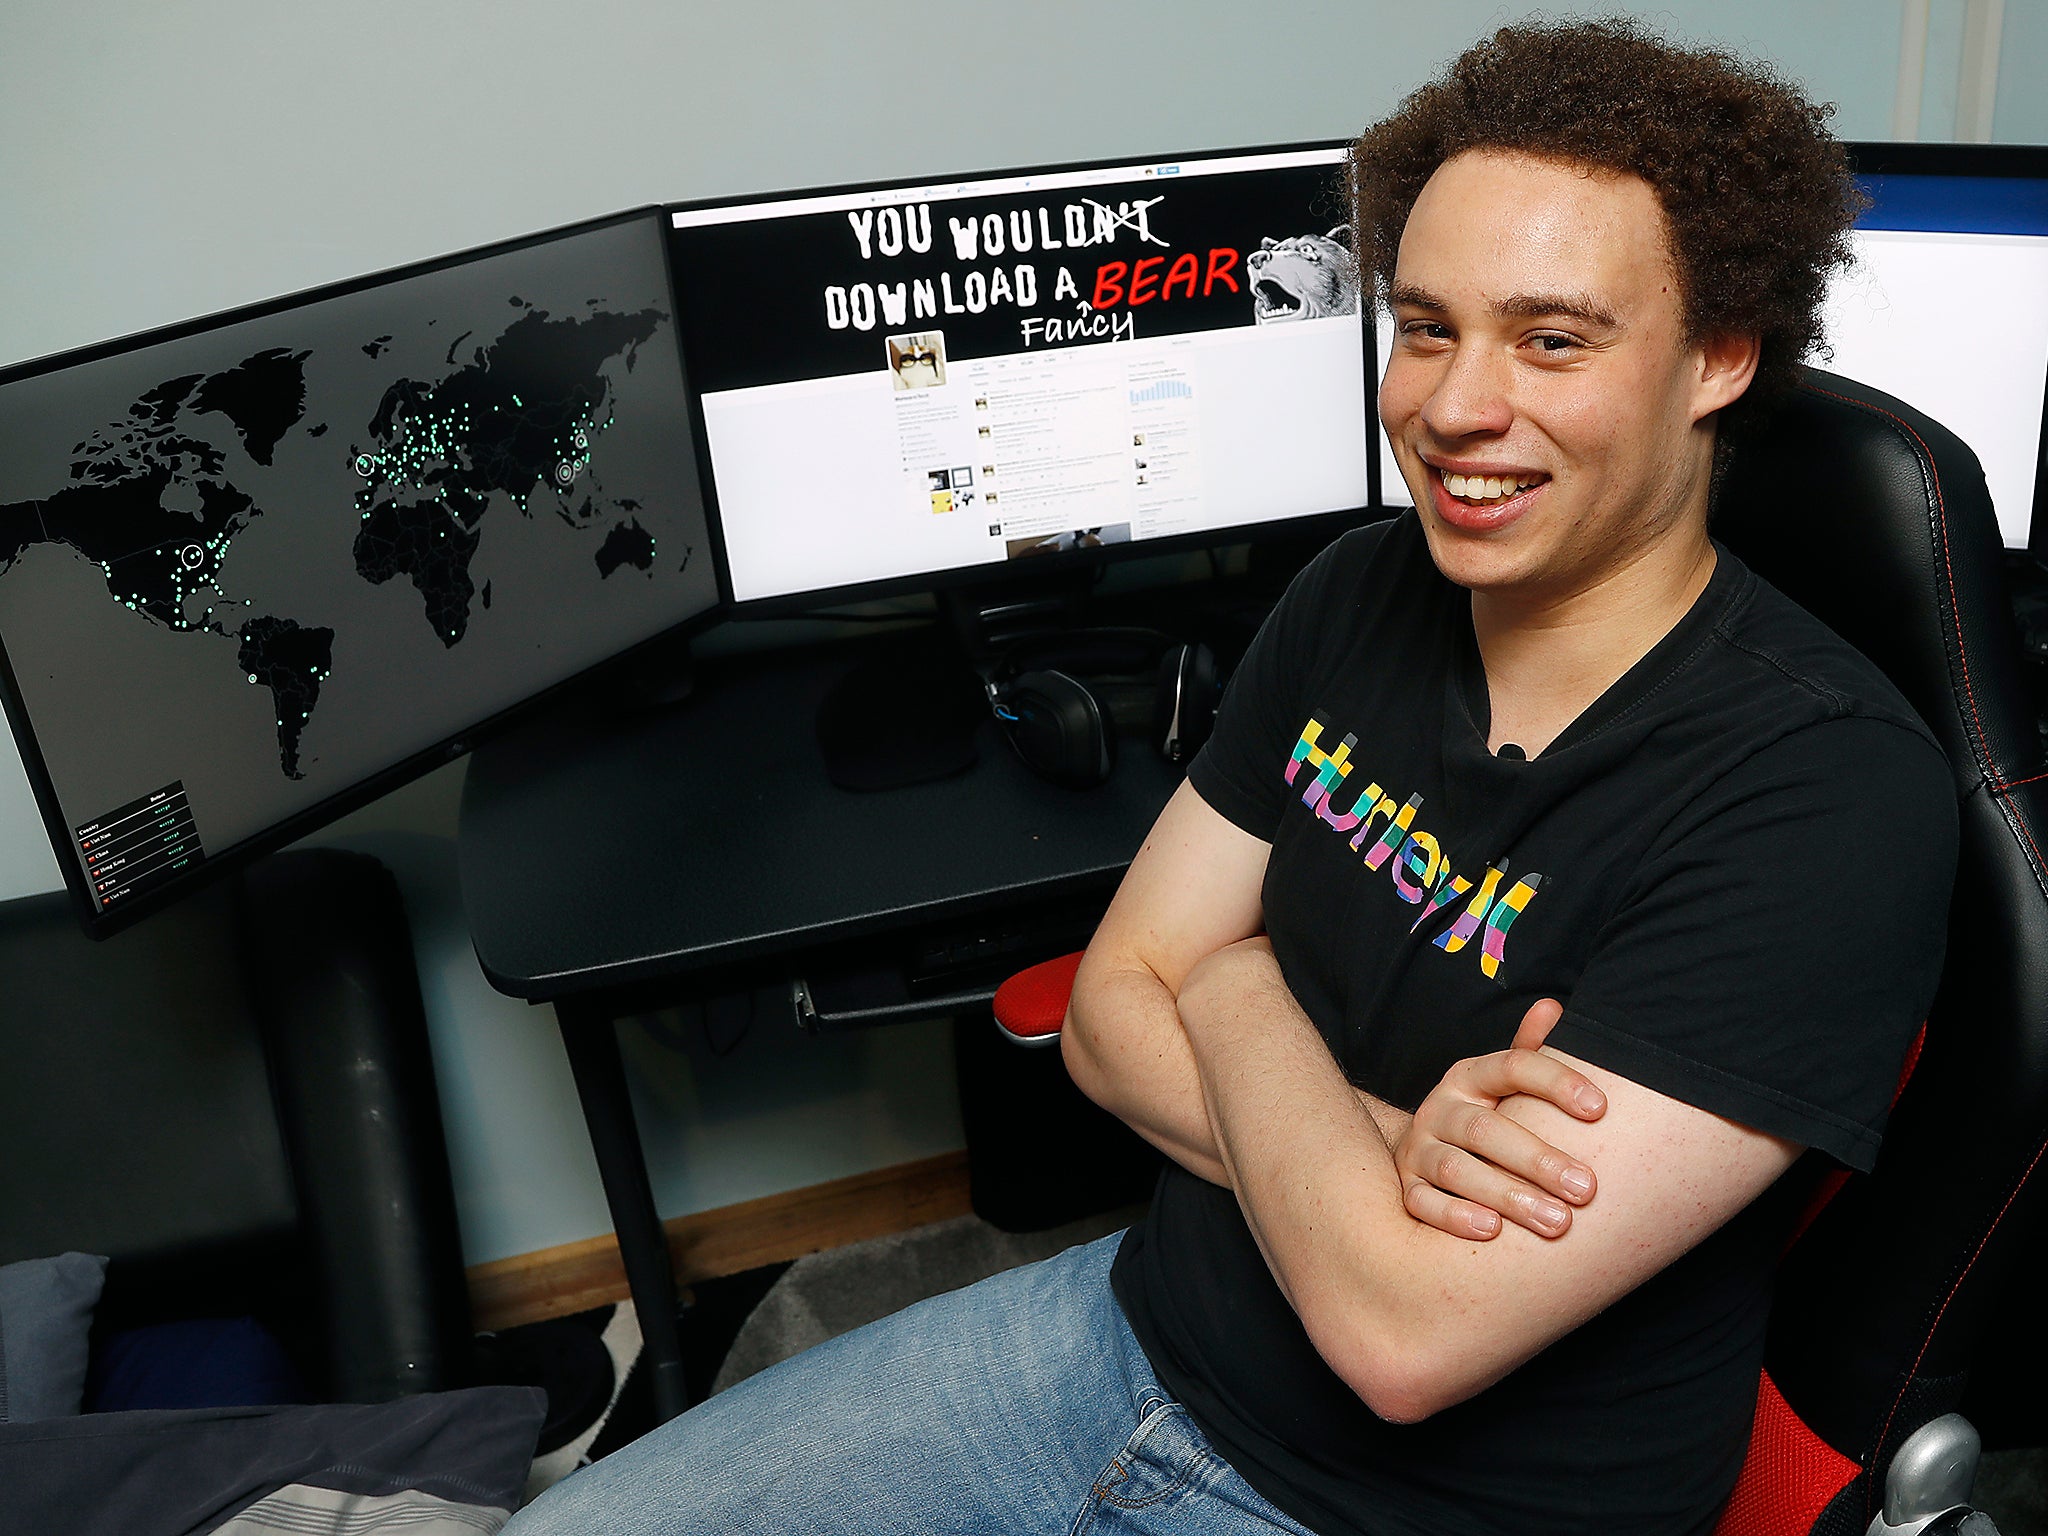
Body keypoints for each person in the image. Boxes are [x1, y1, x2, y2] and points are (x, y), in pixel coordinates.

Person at [507, 19, 1956, 1536]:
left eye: (1553, 339)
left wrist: (1233, 987)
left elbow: (1407, 1336)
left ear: (1719, 355)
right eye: (1427, 325)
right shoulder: (1358, 592)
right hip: (1129, 1337)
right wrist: (1385, 1157)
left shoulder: (1827, 797)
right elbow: (1105, 1017)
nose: (1455, 408)